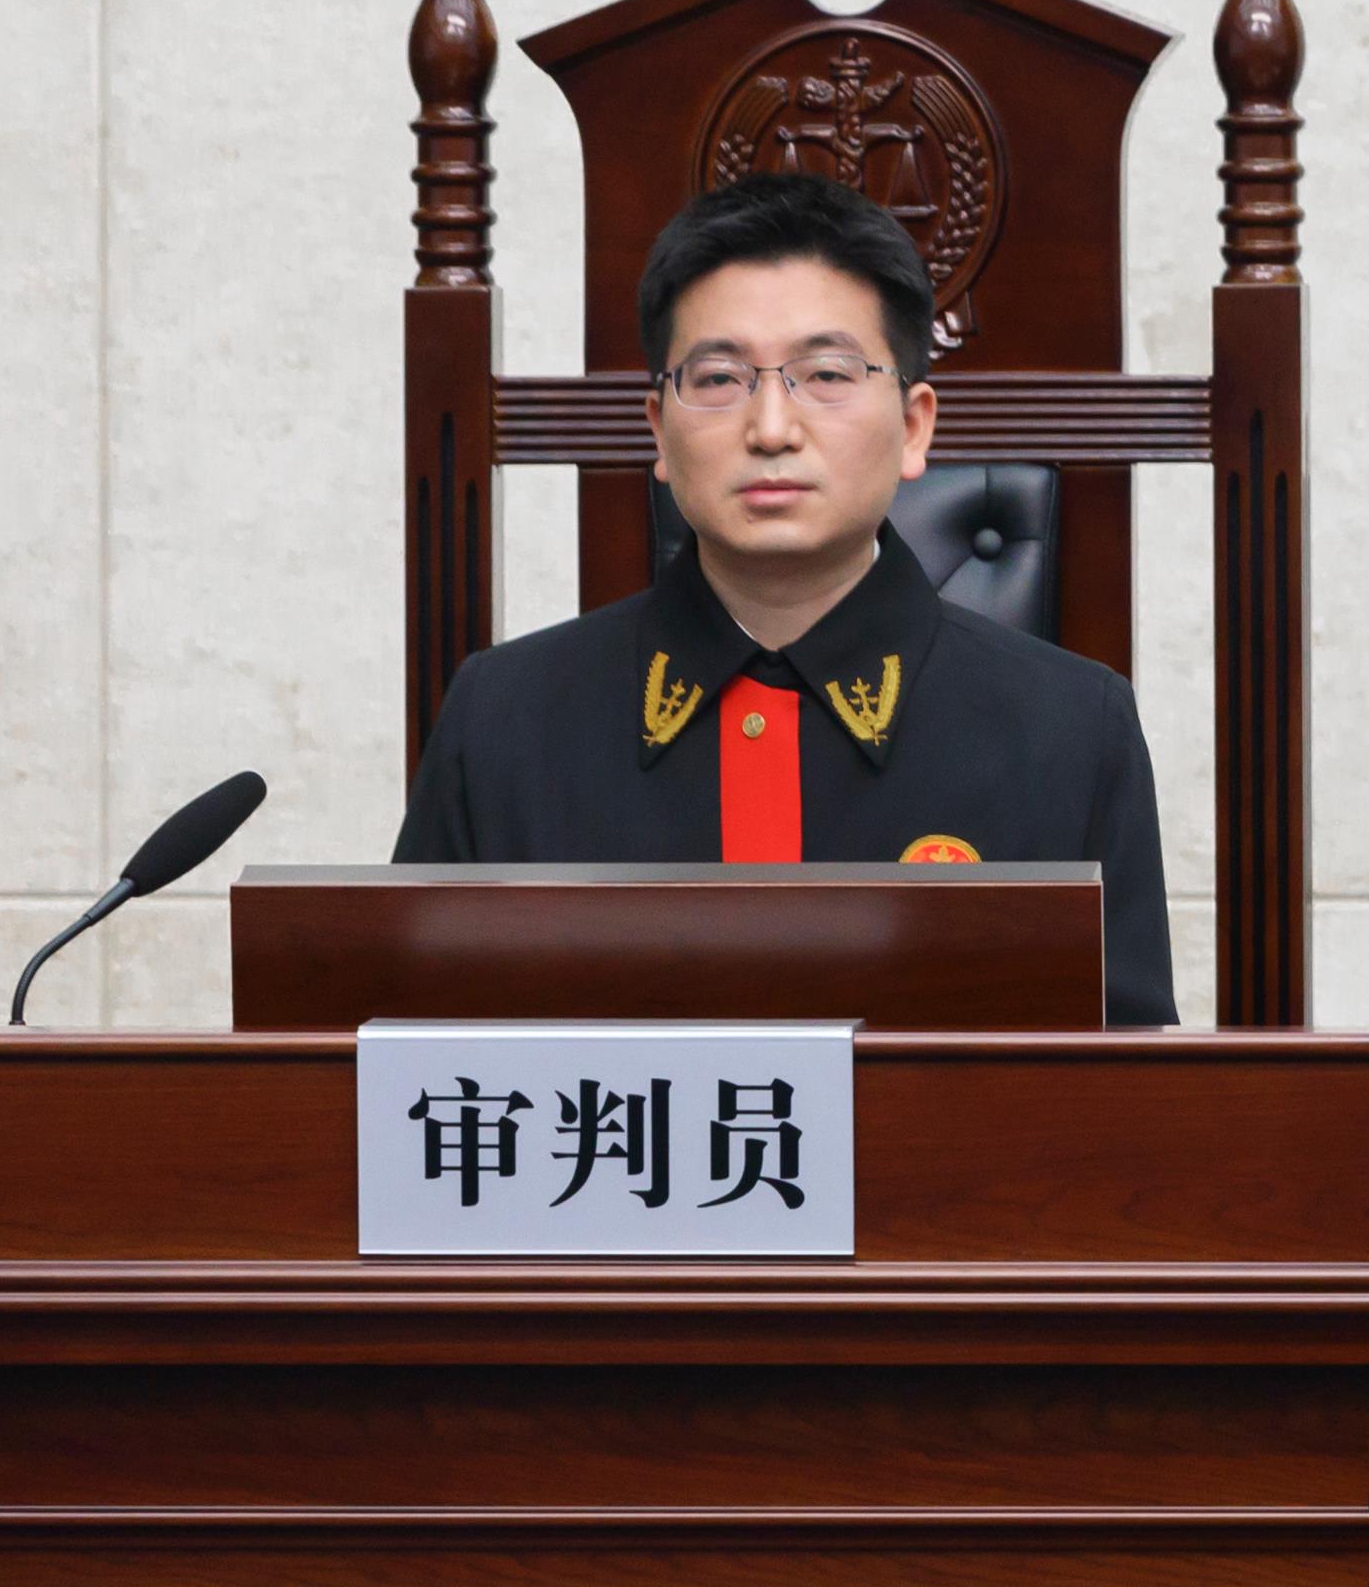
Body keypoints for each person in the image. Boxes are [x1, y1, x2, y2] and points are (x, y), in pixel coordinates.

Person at [395, 169, 1178, 1025]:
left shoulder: (1073, 731)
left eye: (827, 373)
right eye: (719, 379)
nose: (771, 429)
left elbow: (1128, 1086)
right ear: (658, 430)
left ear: (913, 425)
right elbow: (403, 1070)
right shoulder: (503, 721)